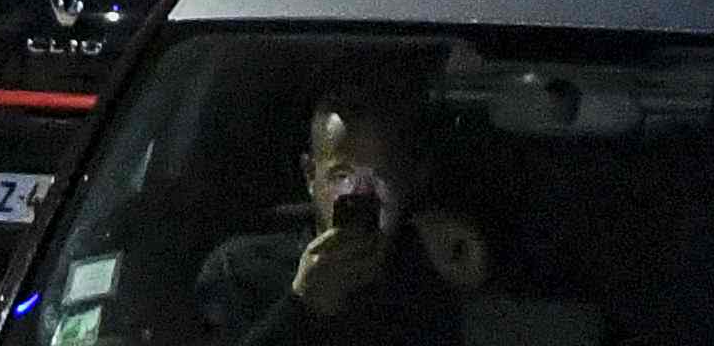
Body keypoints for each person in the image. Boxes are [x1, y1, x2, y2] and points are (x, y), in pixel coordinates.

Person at [196, 88, 492, 346]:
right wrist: (302, 305)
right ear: (311, 175)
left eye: (382, 176)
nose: (361, 194)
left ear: (409, 180)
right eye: (342, 176)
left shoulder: (431, 266)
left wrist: (469, 283)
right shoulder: (241, 269)